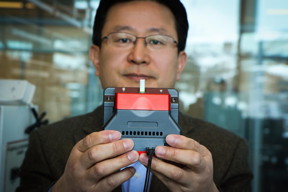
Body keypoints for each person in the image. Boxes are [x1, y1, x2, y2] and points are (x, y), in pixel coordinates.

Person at [17, 0, 252, 191]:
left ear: (180, 64)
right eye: (123, 39)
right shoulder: (46, 144)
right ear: (96, 58)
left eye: (157, 41)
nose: (138, 56)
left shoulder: (229, 151)